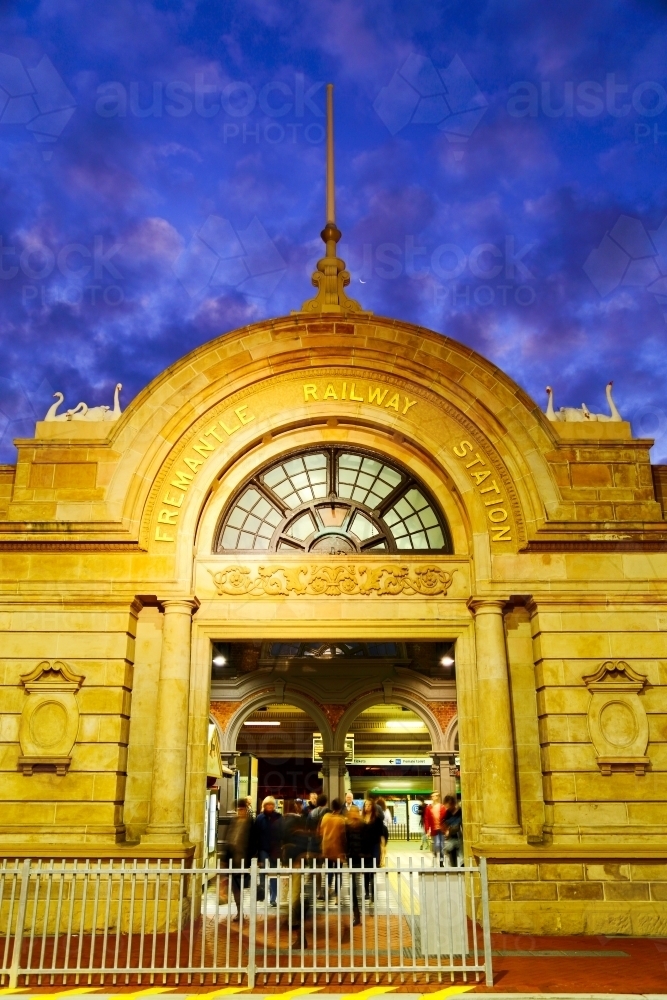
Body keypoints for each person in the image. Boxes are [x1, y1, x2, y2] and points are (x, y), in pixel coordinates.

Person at [225, 798, 254, 921]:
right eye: (239, 809)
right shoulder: (233, 822)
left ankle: (243, 909)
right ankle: (239, 911)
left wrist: (254, 857)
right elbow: (228, 840)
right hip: (233, 860)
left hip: (245, 861)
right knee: (235, 888)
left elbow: (254, 841)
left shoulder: (251, 823)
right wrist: (224, 859)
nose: (241, 812)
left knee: (242, 887)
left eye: (243, 809)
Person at [254, 795, 281, 905]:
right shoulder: (260, 819)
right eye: (267, 805)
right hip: (263, 849)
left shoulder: (278, 817)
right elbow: (256, 836)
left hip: (274, 849)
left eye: (271, 804)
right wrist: (258, 855)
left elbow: (282, 833)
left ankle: (273, 898)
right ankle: (262, 894)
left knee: (274, 873)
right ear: (264, 806)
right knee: (263, 872)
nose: (269, 806)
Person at [320, 797, 346, 899]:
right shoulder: (341, 820)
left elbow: (321, 832)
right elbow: (343, 836)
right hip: (338, 849)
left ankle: (328, 888)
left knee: (329, 870)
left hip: (327, 848)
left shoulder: (325, 817)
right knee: (338, 872)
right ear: (340, 808)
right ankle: (337, 896)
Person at [361, 797, 385, 900]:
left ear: (373, 807)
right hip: (365, 847)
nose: (367, 807)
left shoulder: (377, 819)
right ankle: (366, 891)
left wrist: (383, 848)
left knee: (373, 869)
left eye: (369, 805)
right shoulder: (361, 819)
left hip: (375, 846)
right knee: (366, 870)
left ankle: (373, 892)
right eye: (366, 805)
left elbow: (381, 834)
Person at [345, 804, 365, 925]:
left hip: (355, 856)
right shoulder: (348, 825)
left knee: (355, 884)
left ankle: (357, 913)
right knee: (354, 884)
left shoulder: (360, 825)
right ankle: (357, 913)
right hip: (353, 856)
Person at [424, 793, 446, 866]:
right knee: (437, 844)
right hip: (434, 829)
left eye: (435, 796)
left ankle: (441, 861)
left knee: (442, 845)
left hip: (441, 829)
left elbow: (445, 818)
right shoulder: (429, 807)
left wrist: (447, 828)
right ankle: (435, 856)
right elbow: (426, 819)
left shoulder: (442, 807)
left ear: (438, 797)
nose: (433, 797)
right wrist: (427, 830)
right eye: (432, 796)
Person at [443, 794, 463, 867]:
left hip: (460, 838)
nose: (447, 808)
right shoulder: (447, 813)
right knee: (452, 856)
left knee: (462, 857)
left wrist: (450, 829)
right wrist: (446, 830)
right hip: (451, 838)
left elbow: (459, 824)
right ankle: (454, 868)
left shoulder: (460, 812)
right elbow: (445, 823)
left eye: (448, 806)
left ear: (453, 804)